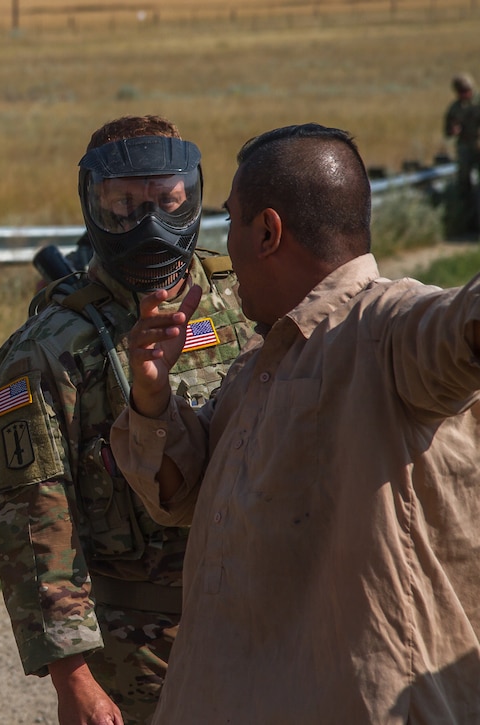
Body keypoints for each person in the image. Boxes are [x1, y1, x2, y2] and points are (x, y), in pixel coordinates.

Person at [110, 122, 480, 722]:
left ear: (267, 231)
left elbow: (456, 325)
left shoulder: (384, 327)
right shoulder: (261, 365)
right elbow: (179, 495)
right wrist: (152, 393)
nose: (222, 243)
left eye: (230, 221)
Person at [0, 115, 254, 725]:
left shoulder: (244, 297)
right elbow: (31, 513)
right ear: (93, 205)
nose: (149, 224)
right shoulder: (48, 348)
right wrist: (72, 678)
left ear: (190, 195)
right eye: (125, 205)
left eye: (166, 200)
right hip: (137, 645)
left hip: (258, 613)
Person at [444, 72, 480, 232]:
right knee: (463, 184)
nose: (464, 94)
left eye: (466, 90)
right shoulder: (455, 108)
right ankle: (467, 221)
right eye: (460, 91)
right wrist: (453, 130)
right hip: (465, 148)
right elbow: (447, 130)